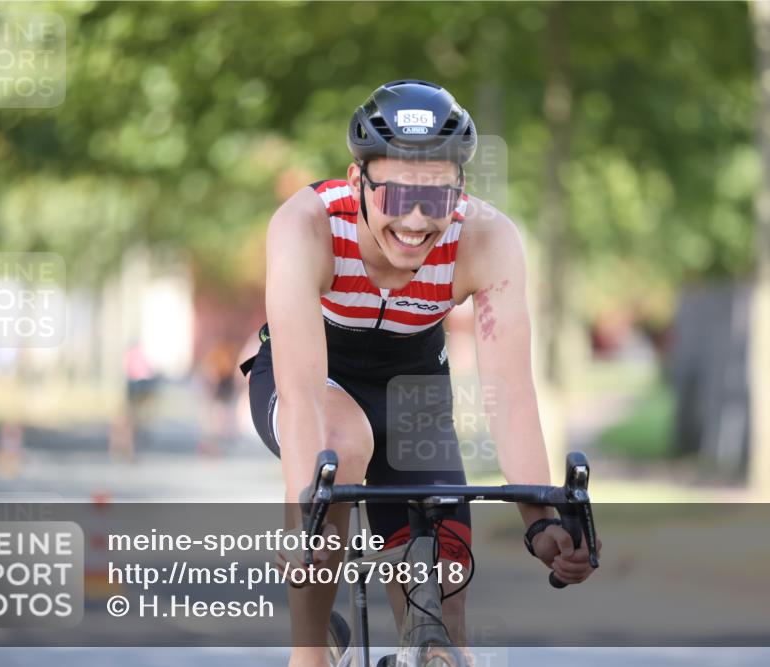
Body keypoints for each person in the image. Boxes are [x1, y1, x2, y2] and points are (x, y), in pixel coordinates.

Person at [242, 79, 601, 666]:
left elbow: (509, 392)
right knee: (342, 444)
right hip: (314, 374)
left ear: (459, 189)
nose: (414, 220)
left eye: (435, 200)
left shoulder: (485, 238)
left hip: (412, 388)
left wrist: (541, 519)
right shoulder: (305, 224)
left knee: (444, 622)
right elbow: (303, 391)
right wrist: (303, 520)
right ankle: (308, 653)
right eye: (396, 195)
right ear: (357, 181)